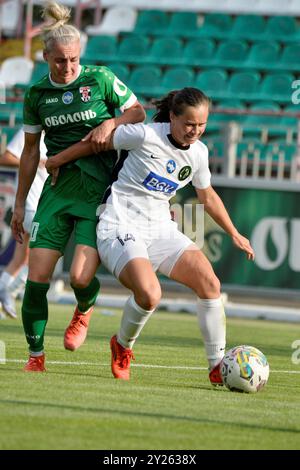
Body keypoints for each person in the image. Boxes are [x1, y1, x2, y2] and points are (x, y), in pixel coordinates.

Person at [46, 87, 255, 385]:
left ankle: (217, 366)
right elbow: (95, 143)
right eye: (189, 124)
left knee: (210, 284)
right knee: (149, 294)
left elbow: (207, 196)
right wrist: (57, 159)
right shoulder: (144, 136)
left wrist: (235, 233)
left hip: (160, 229)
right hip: (119, 224)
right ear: (172, 117)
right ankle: (122, 345)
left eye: (202, 125)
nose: (195, 131)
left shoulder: (198, 153)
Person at [10, 1, 145, 372]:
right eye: (59, 61)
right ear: (45, 56)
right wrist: (20, 204)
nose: (67, 67)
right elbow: (29, 152)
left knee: (80, 277)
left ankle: (83, 309)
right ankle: (35, 357)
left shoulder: (99, 78)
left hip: (97, 191)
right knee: (36, 277)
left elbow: (138, 113)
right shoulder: (36, 95)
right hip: (56, 189)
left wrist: (111, 124)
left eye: (73, 60)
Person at [0, 129, 48, 319]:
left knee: (22, 257)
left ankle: (4, 293)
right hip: (31, 203)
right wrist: (34, 163)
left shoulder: (61, 132)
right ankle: (9, 292)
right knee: (42, 255)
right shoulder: (30, 131)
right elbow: (6, 157)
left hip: (43, 204)